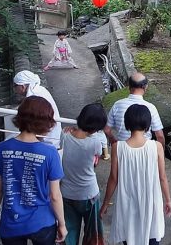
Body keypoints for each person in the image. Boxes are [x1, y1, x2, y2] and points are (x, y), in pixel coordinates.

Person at [0, 97, 67, 245]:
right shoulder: (50, 153)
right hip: (42, 222)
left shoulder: (2, 148)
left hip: (11, 223)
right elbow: (54, 195)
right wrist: (62, 224)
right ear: (46, 122)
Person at [101, 104, 171, 245]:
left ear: (127, 123)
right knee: (152, 236)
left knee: (130, 237)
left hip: (127, 202)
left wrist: (105, 203)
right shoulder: (156, 147)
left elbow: (113, 179)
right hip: (150, 202)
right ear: (147, 125)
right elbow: (162, 177)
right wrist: (168, 200)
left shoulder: (118, 148)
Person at [61, 103, 108, 245]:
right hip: (89, 194)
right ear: (96, 127)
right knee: (92, 233)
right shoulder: (96, 142)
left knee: (69, 232)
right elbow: (97, 158)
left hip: (67, 193)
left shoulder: (64, 135)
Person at [105, 72, 165, 147]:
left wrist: (114, 142)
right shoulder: (151, 108)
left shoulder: (117, 105)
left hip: (123, 148)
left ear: (129, 86)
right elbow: (160, 136)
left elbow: (107, 130)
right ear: (145, 87)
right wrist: (161, 152)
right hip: (145, 149)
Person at [14, 70, 63, 149]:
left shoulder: (34, 97)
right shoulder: (40, 89)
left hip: (46, 137)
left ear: (22, 86)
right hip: (51, 134)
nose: (14, 89)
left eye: (15, 86)